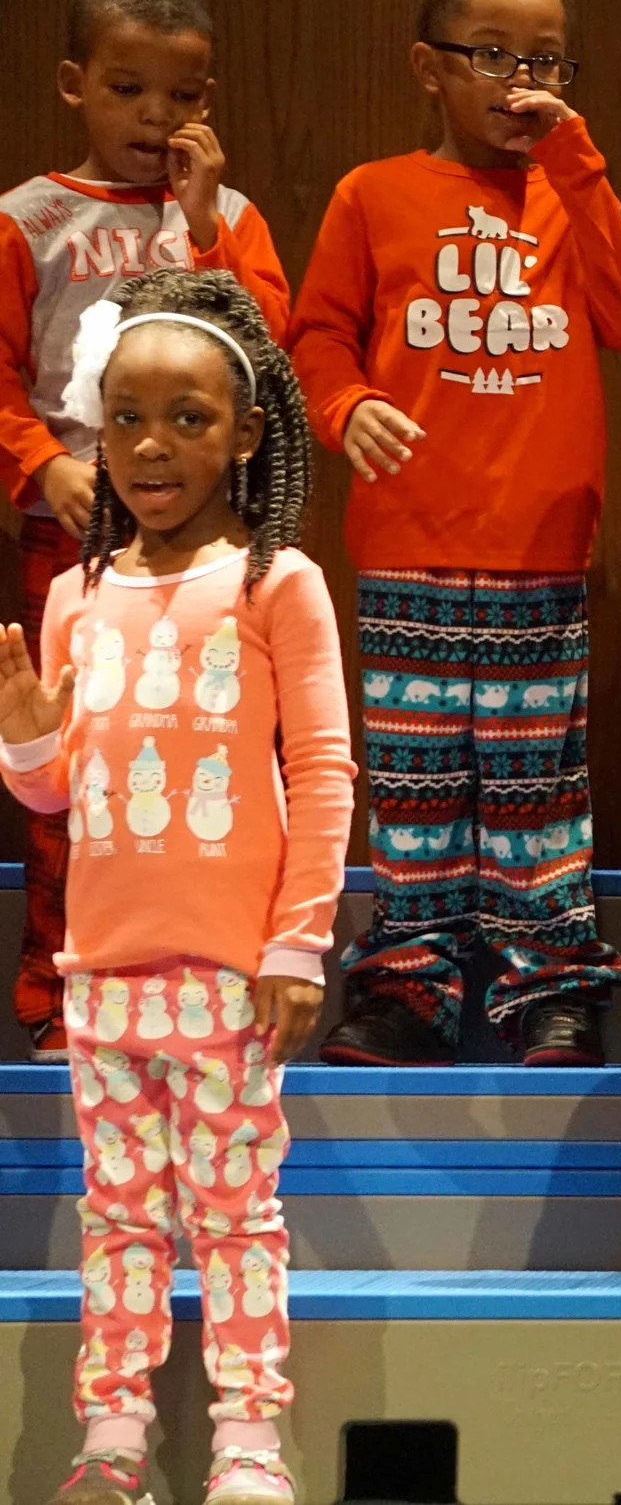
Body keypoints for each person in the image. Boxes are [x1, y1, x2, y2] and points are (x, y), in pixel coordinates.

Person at [0, 267, 350, 1505]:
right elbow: (56, 795)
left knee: (237, 1213)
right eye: (127, 417)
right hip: (102, 973)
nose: (152, 445)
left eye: (187, 418)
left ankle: (249, 1434)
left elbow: (322, 769)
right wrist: (26, 738)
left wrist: (298, 942)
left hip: (229, 972)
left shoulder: (276, 581)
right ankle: (113, 1435)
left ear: (244, 433)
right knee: (119, 1214)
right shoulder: (74, 593)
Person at [291, 0, 621, 1068]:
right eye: (492, 55)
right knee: (414, 790)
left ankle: (551, 986)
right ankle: (408, 987)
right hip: (407, 543)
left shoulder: (570, 193)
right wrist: (347, 403)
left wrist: (578, 159)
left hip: (538, 550)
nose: (520, 82)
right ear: (429, 66)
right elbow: (318, 334)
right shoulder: (373, 193)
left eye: (545, 60)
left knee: (534, 790)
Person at [0, 0, 291, 1061]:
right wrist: (42, 465)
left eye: (183, 95)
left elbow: (270, 354)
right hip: (78, 530)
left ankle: (218, 968)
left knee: (206, 750)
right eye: (128, 90)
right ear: (75, 84)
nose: (156, 116)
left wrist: (206, 227)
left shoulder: (233, 217)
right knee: (69, 757)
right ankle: (56, 985)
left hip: (211, 544)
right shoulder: (29, 219)